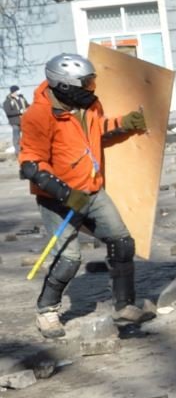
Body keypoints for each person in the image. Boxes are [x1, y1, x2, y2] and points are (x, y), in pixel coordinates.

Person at [18, 53, 154, 338]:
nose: (93, 88)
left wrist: (125, 123)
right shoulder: (38, 115)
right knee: (69, 259)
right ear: (65, 86)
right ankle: (47, 311)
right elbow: (30, 165)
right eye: (87, 83)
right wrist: (66, 194)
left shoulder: (89, 106)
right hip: (58, 198)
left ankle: (124, 306)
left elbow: (96, 132)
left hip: (92, 190)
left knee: (122, 242)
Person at [4, 85, 29, 154]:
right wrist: (19, 112)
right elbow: (8, 112)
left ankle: (26, 150)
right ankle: (18, 152)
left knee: (27, 136)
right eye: (17, 90)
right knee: (16, 137)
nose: (19, 91)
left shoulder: (22, 98)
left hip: (24, 120)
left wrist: (30, 108)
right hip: (15, 122)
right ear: (14, 92)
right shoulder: (8, 101)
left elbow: (27, 105)